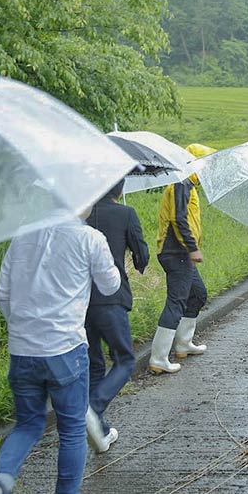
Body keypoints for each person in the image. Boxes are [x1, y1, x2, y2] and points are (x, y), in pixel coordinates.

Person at [0, 208, 121, 494]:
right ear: (81, 200)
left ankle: (1, 479)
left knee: (27, 425)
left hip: (22, 351)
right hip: (65, 349)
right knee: (71, 431)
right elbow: (110, 287)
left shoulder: (22, 236)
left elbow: (2, 294)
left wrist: (23, 328)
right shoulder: (90, 238)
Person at [83, 179, 149, 454]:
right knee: (125, 359)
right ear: (120, 190)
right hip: (112, 299)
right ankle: (93, 408)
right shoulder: (126, 213)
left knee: (95, 363)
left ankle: (99, 427)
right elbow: (142, 254)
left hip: (83, 301)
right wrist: (138, 261)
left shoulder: (80, 217)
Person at [149, 144, 213, 374]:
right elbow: (178, 219)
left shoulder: (189, 185)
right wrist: (192, 247)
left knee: (197, 294)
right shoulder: (180, 182)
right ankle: (158, 358)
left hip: (182, 253)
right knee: (176, 301)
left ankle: (184, 343)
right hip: (177, 252)